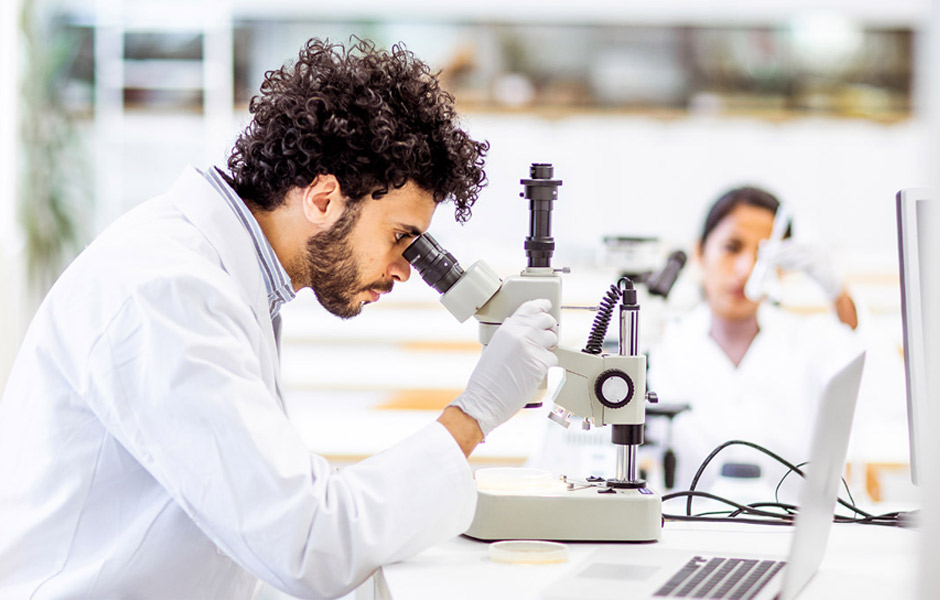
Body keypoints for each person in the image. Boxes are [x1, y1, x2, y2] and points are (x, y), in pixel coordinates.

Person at [0, 38, 558, 599]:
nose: (404, 269)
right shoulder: (168, 292)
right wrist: (474, 416)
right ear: (321, 199)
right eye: (398, 237)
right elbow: (306, 545)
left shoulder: (225, 279)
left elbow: (273, 523)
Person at [647, 186, 864, 499]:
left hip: (789, 533)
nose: (745, 269)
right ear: (700, 252)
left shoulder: (809, 343)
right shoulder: (663, 348)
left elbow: (880, 390)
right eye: (731, 247)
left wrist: (836, 291)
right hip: (687, 531)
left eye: (763, 255)